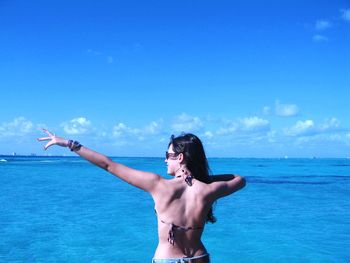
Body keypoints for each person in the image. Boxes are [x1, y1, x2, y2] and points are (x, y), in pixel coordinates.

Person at [38, 129, 246, 263]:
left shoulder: (158, 185)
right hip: (200, 257)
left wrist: (71, 144)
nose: (165, 161)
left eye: (168, 155)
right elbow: (239, 179)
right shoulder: (208, 190)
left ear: (180, 157)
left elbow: (109, 165)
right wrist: (201, 178)